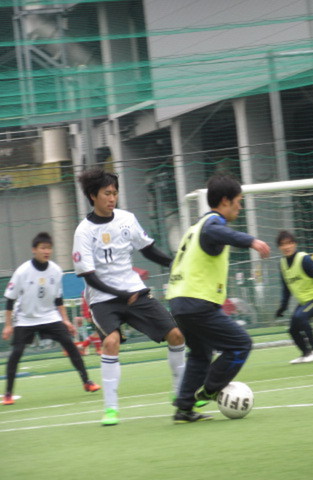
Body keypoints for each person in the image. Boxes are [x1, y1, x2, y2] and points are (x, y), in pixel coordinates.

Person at [72, 167, 186, 426]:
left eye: (115, 193)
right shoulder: (83, 232)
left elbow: (148, 250)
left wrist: (174, 263)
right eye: (107, 193)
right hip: (102, 298)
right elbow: (89, 276)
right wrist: (120, 294)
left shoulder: (127, 219)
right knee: (111, 342)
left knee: (177, 335)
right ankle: (111, 409)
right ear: (93, 196)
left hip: (134, 292)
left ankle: (180, 394)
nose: (112, 198)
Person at [166, 174, 270, 423]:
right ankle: (210, 390)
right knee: (241, 344)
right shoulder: (212, 224)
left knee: (201, 353)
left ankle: (184, 407)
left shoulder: (195, 228)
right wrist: (252, 241)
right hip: (196, 302)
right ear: (225, 201)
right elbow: (218, 233)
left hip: (179, 302)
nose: (240, 207)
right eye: (238, 201)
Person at [3, 232, 100, 406]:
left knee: (70, 345)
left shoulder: (55, 270)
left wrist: (65, 320)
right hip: (25, 318)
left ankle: (87, 382)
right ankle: (8, 394)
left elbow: (58, 299)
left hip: (49, 316)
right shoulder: (22, 271)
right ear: (34, 250)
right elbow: (10, 299)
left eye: (49, 248)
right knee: (16, 353)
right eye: (43, 248)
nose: (46, 251)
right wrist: (8, 325)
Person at [276, 231, 313, 363]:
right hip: (305, 302)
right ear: (279, 247)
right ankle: (306, 353)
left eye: (289, 243)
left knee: (300, 317)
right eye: (283, 244)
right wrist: (283, 307)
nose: (286, 247)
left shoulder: (305, 259)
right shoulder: (282, 264)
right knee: (292, 329)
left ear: (295, 244)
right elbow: (286, 288)